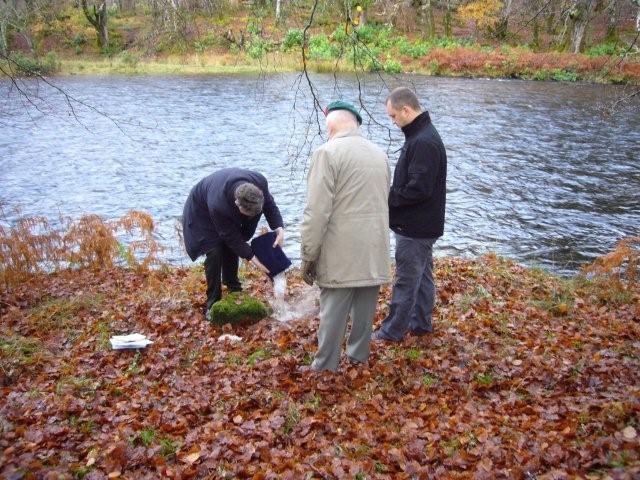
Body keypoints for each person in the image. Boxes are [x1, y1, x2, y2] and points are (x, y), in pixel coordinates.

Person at [300, 101, 391, 372]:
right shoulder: (380, 154)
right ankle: (358, 357)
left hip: (340, 252)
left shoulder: (326, 153)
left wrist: (308, 255)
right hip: (374, 248)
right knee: (365, 310)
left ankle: (325, 366)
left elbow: (316, 212)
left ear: (330, 125)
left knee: (333, 313)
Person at [372, 87, 447, 342]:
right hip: (423, 224)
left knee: (406, 280)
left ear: (406, 109)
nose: (393, 122)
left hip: (415, 227)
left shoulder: (424, 141)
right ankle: (421, 324)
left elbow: (420, 189)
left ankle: (391, 332)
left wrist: (388, 198)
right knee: (423, 277)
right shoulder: (420, 135)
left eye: (394, 116)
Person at [182, 168, 285, 317]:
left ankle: (234, 288)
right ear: (237, 204)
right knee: (215, 251)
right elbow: (231, 237)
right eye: (247, 214)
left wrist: (279, 228)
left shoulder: (260, 182)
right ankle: (213, 303)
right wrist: (254, 259)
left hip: (224, 201)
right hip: (201, 211)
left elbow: (269, 205)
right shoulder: (219, 205)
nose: (250, 218)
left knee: (239, 239)